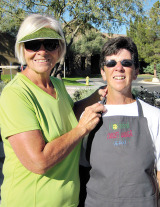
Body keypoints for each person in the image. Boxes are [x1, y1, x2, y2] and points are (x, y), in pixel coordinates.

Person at [0, 14, 106, 207]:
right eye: (33, 45)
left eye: (50, 44)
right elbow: (38, 162)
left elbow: (66, 114)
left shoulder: (56, 84)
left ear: (59, 49)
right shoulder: (15, 94)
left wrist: (96, 95)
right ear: (22, 49)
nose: (42, 52)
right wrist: (81, 129)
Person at [80, 36, 160, 207]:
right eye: (111, 63)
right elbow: (81, 167)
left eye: (126, 63)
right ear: (103, 72)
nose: (118, 68)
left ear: (136, 71)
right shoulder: (88, 117)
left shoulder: (154, 116)